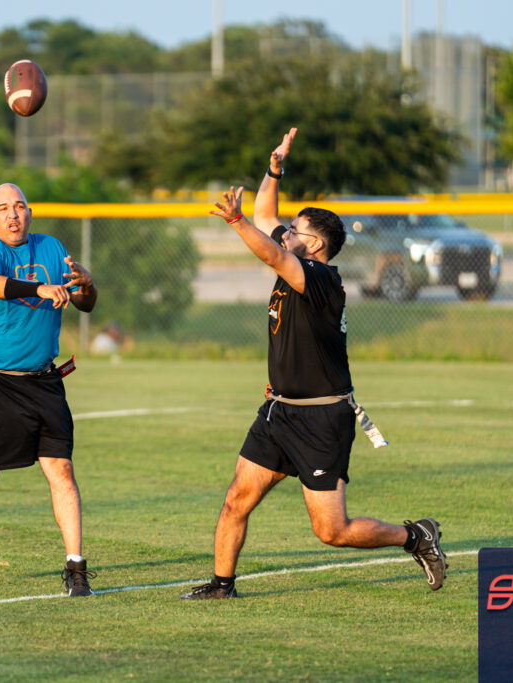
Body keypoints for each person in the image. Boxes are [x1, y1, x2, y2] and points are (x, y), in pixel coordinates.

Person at [181, 128, 446, 599]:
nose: (286, 232)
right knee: (236, 499)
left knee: (331, 530)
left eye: (296, 230)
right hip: (279, 411)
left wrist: (235, 221)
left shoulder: (321, 280)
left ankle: (415, 535)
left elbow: (266, 244)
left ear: (316, 245)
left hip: (322, 418)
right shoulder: (295, 258)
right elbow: (266, 218)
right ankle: (222, 585)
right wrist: (274, 169)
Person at [0, 182, 99, 597]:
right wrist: (38, 288)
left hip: (42, 379)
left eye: (20, 206)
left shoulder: (51, 248)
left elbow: (85, 302)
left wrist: (86, 283)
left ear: (29, 212)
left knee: (61, 469)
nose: (13, 214)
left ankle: (76, 569)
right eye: (3, 208)